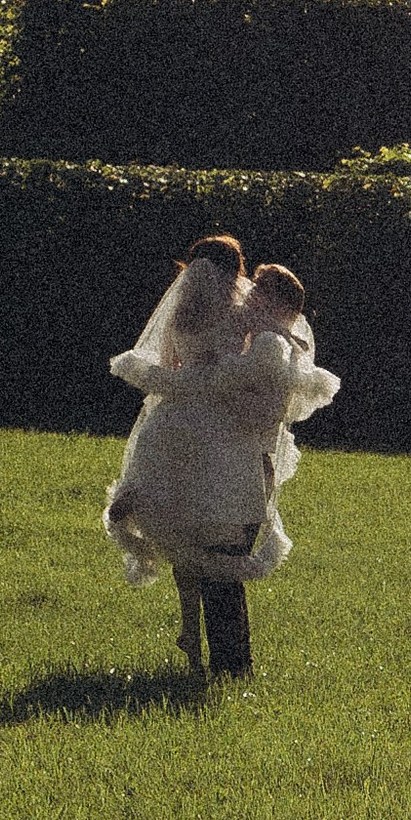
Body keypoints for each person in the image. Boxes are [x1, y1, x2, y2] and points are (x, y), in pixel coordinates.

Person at [103, 240, 338, 673]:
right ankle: (229, 660)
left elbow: (171, 367)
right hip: (218, 436)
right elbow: (263, 357)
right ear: (237, 272)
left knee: (179, 534)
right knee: (217, 539)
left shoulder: (179, 314)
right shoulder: (240, 311)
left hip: (170, 427)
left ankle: (193, 637)